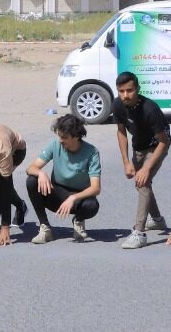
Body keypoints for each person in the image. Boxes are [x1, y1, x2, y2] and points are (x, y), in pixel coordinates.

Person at [112, 71, 170, 249]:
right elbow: (121, 132)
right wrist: (126, 162)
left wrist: (146, 168)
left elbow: (164, 141)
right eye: (121, 91)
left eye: (129, 90)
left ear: (137, 88)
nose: (125, 95)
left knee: (142, 183)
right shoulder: (118, 104)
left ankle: (139, 233)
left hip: (157, 145)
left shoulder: (149, 109)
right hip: (139, 147)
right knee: (142, 183)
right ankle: (158, 220)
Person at [25, 114, 101, 243]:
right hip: (56, 193)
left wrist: (73, 197)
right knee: (32, 180)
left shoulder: (92, 152)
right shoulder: (55, 145)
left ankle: (78, 220)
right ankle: (45, 228)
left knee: (92, 206)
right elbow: (31, 168)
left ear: (76, 136)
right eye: (59, 136)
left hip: (78, 198)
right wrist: (41, 173)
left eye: (64, 137)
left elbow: (96, 188)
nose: (60, 140)